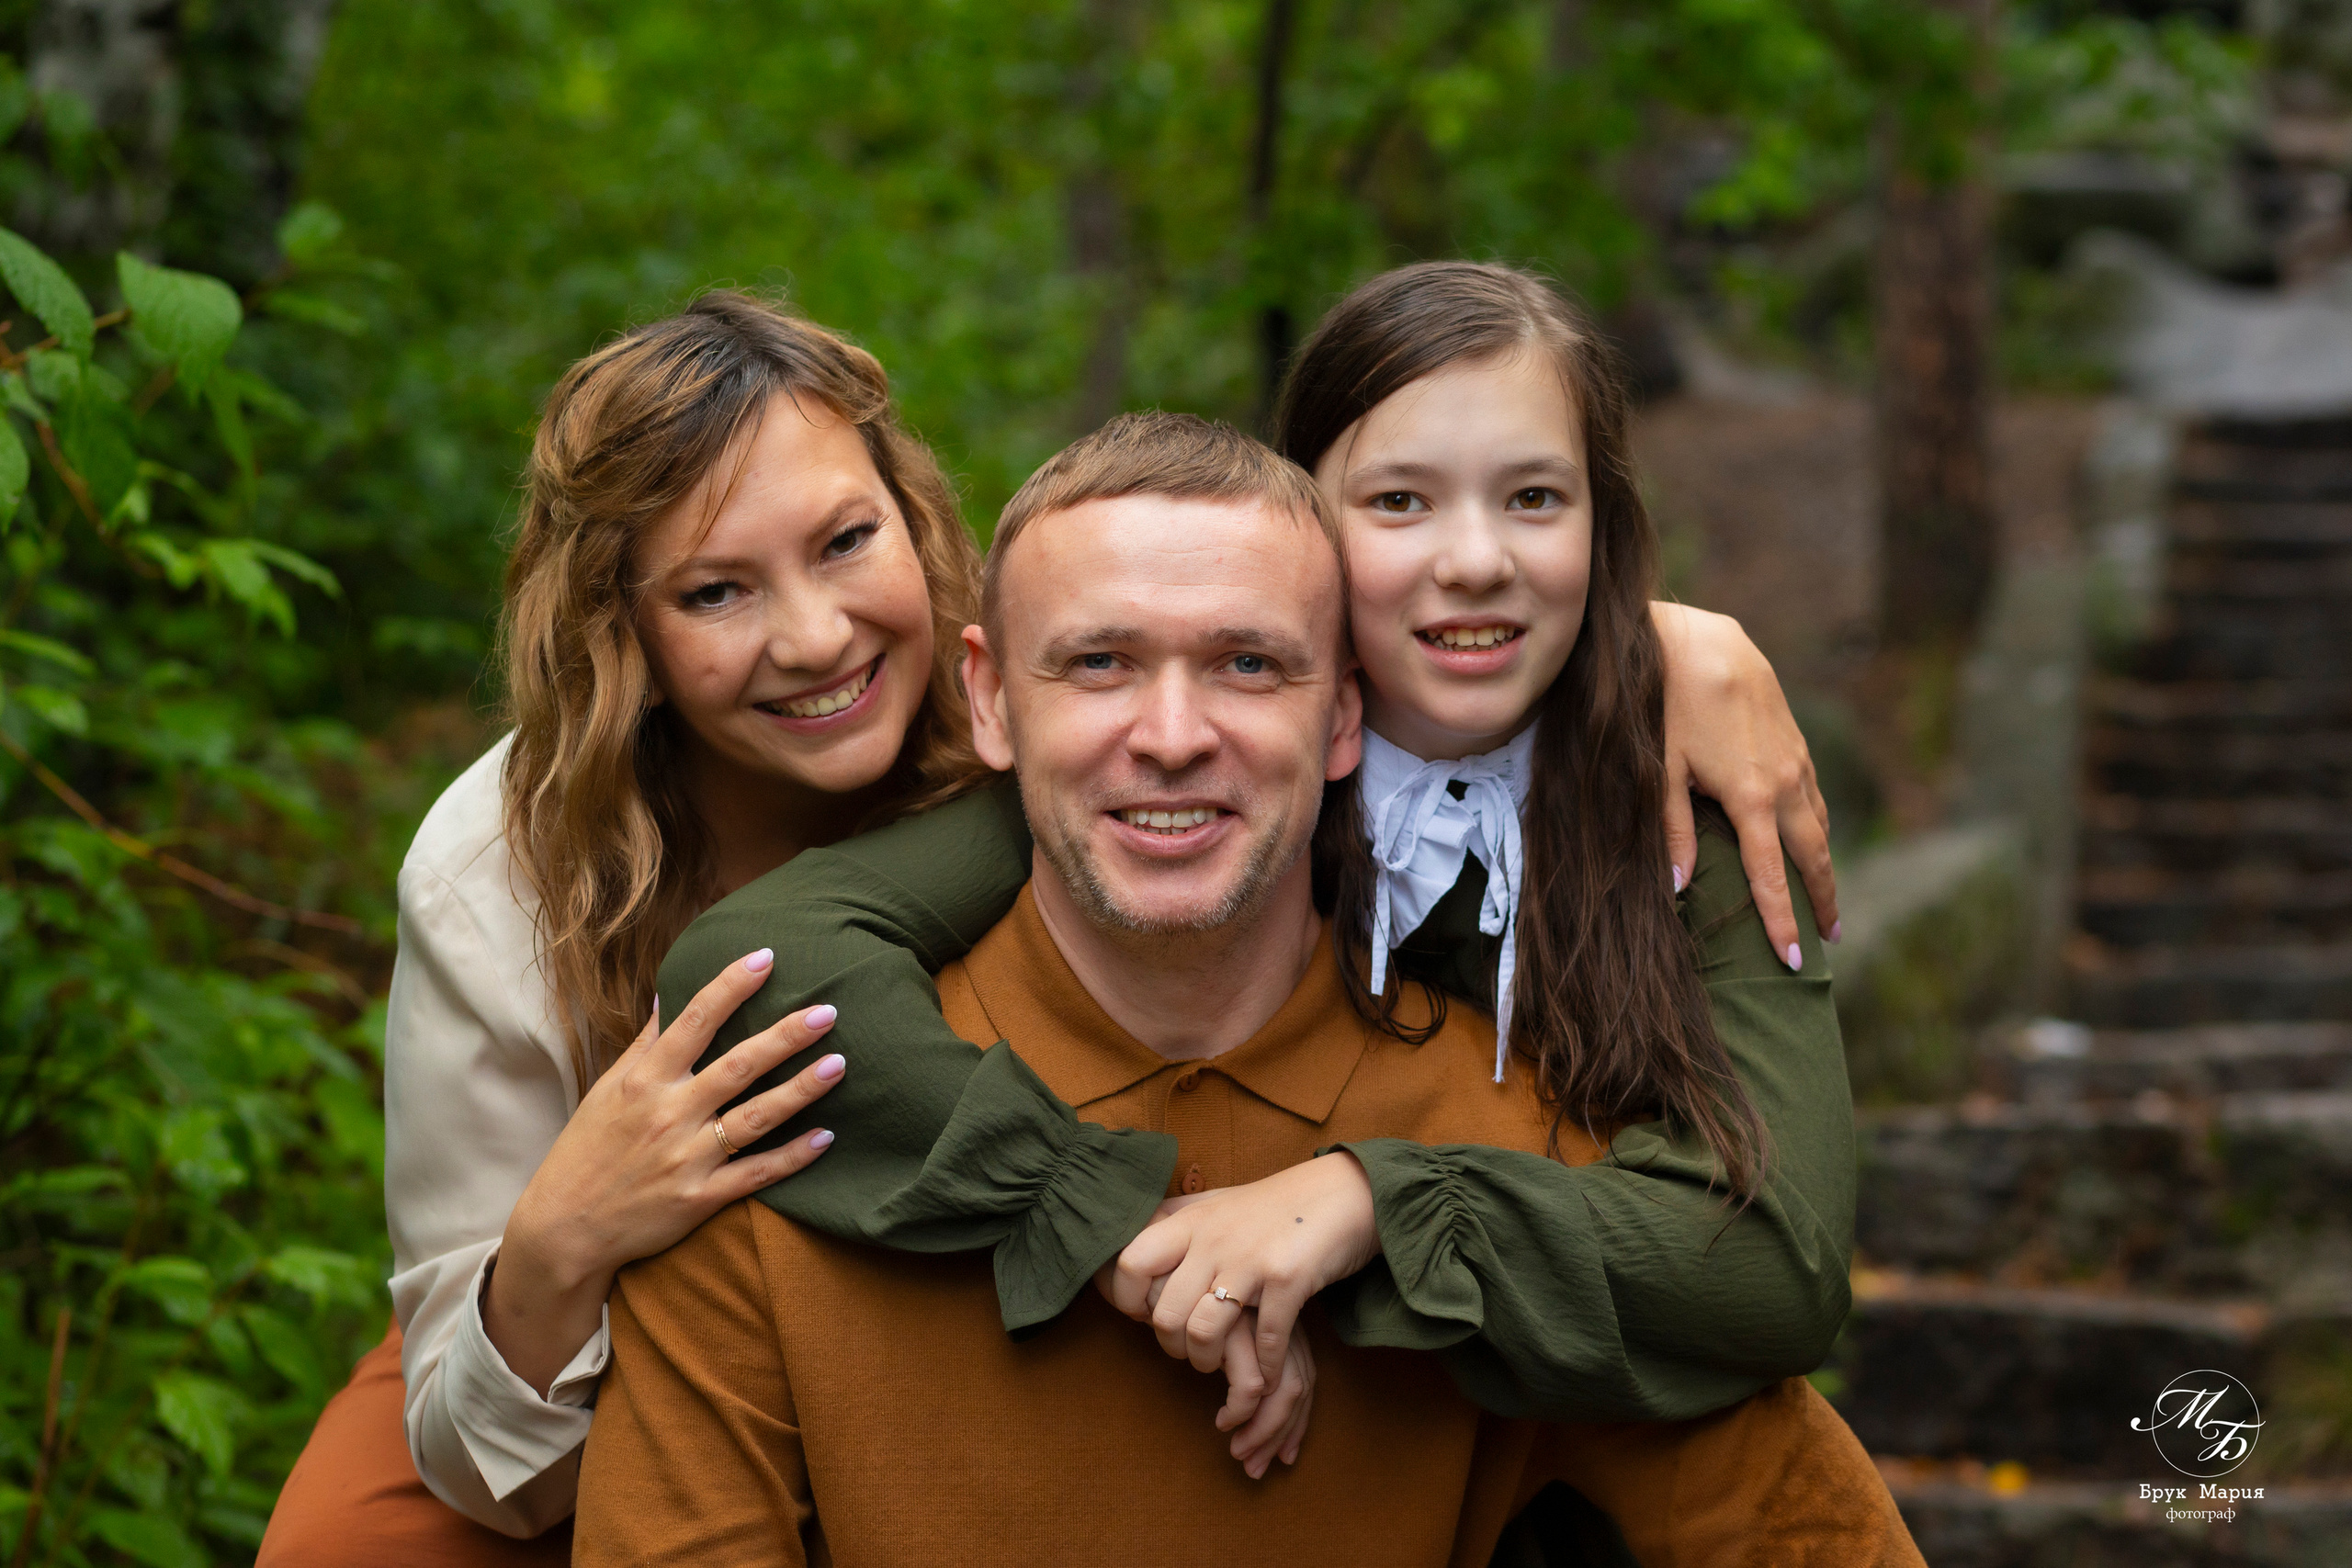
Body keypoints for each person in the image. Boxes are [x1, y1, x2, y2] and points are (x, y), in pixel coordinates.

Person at [254, 290, 1833, 1562]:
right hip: (578, 1296)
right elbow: (762, 993)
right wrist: (564, 1239)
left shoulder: (1049, 727)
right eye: (716, 592)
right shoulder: (502, 861)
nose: (814, 636)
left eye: (843, 544)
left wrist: (1666, 642)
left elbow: (1764, 1306)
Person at [576, 411, 1918, 1566]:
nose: (1172, 738)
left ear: (1348, 718)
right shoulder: (778, 1132)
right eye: (1098, 664)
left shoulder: (1516, 1151)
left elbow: (1798, 1519)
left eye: (1247, 665)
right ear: (989, 701)